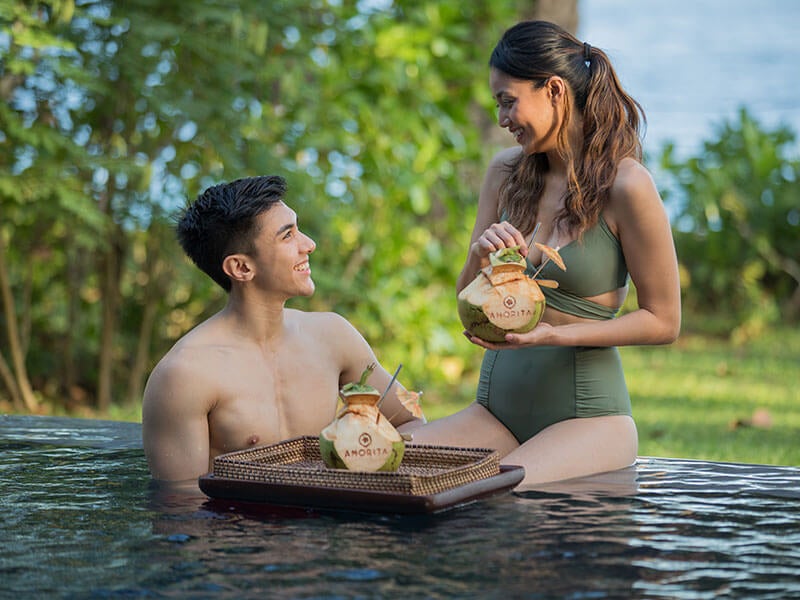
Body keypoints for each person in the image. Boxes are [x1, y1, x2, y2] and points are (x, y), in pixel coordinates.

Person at [411, 21, 680, 486]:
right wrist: (479, 259)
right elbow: (465, 304)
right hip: (495, 412)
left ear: (554, 90)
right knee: (390, 470)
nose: (502, 118)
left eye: (508, 101)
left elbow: (664, 321)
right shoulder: (504, 174)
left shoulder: (627, 186)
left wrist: (555, 334)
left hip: (587, 418)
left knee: (498, 494)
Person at [142, 175, 424, 484]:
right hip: (240, 516)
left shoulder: (333, 336)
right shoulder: (184, 375)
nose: (309, 245)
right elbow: (183, 501)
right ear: (241, 268)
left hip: (329, 511)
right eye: (288, 236)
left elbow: (409, 422)